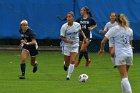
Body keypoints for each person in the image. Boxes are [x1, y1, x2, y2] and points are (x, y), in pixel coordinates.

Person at [98, 14, 133, 93]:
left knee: (124, 77)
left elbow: (103, 41)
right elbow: (130, 43)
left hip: (121, 54)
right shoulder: (129, 30)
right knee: (125, 76)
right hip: (130, 54)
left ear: (117, 21)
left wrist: (101, 49)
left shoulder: (114, 29)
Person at [60, 11, 86, 80]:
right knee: (67, 63)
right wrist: (68, 41)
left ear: (73, 18)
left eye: (69, 17)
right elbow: (62, 37)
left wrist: (84, 37)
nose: (68, 18)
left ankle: (68, 76)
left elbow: (80, 31)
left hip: (75, 45)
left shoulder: (77, 24)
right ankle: (65, 65)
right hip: (66, 45)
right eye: (67, 17)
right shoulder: (64, 27)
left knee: (73, 60)